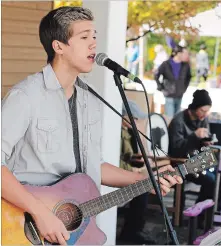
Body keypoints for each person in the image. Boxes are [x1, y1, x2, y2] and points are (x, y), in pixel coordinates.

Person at [1, 6, 182, 246]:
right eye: (84, 37)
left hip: (74, 232)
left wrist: (143, 180)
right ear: (59, 47)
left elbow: (93, 167)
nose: (93, 44)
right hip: (23, 227)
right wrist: (40, 212)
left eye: (94, 36)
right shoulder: (26, 96)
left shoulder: (89, 100)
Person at [168, 89, 216, 226]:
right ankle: (197, 215)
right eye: (202, 111)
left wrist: (206, 142)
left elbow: (204, 141)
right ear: (194, 108)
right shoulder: (179, 121)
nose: (205, 114)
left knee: (219, 173)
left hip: (196, 159)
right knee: (210, 179)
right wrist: (194, 136)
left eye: (207, 111)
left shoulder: (203, 119)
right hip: (180, 161)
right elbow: (175, 148)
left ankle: (200, 214)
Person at [117, 100, 157, 245]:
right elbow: (114, 158)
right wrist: (131, 169)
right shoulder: (116, 131)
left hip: (126, 169)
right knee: (142, 189)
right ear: (123, 116)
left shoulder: (128, 131)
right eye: (133, 118)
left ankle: (135, 228)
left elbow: (132, 155)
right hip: (119, 173)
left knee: (146, 184)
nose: (135, 121)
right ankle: (131, 231)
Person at [155, 45, 192, 118]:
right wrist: (161, 87)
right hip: (169, 93)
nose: (185, 55)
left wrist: (184, 88)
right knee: (169, 116)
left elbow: (189, 77)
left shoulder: (185, 65)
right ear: (177, 53)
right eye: (183, 53)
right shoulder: (166, 64)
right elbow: (156, 75)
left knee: (177, 117)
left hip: (179, 93)